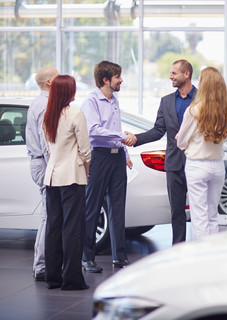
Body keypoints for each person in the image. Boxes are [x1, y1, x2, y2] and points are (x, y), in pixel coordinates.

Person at [123, 59, 196, 244]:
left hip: (198, 161)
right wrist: (136, 139)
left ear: (186, 74)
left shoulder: (202, 98)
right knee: (177, 211)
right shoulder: (166, 101)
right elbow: (158, 130)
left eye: (174, 73)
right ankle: (178, 248)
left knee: (200, 210)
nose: (170, 76)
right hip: (174, 164)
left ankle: (200, 249)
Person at [81, 60, 133, 272]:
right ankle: (87, 257)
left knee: (118, 207)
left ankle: (119, 257)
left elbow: (115, 128)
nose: (121, 80)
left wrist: (126, 151)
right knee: (91, 207)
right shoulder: (91, 101)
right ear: (105, 79)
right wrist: (123, 137)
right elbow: (93, 130)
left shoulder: (114, 101)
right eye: (117, 77)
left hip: (117, 156)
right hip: (99, 157)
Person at [43, 75, 90, 290]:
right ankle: (71, 279)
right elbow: (86, 151)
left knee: (54, 227)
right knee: (72, 229)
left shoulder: (48, 115)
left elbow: (47, 149)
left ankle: (53, 277)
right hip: (72, 177)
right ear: (69, 92)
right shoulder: (75, 114)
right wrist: (87, 171)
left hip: (51, 178)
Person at [175, 67, 227, 239]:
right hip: (218, 167)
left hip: (197, 166)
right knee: (212, 215)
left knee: (199, 216)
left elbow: (181, 142)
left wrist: (183, 136)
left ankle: (201, 257)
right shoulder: (226, 110)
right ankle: (212, 254)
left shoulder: (194, 110)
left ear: (204, 84)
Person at [25, 66, 59, 281]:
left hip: (41, 163)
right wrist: (54, 170)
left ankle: (45, 264)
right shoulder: (46, 105)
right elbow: (47, 143)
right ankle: (41, 266)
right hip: (44, 165)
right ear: (49, 83)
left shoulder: (40, 102)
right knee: (50, 215)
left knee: (51, 214)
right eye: (58, 77)